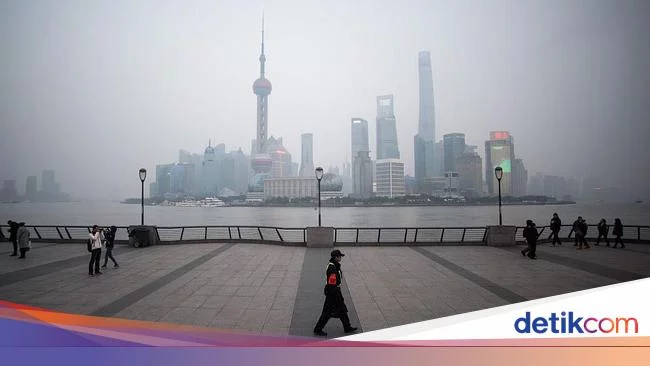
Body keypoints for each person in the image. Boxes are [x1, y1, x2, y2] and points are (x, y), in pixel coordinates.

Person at [313, 249, 358, 336]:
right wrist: (336, 295)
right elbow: (332, 283)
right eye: (339, 256)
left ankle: (347, 327)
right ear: (335, 257)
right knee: (327, 312)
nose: (341, 257)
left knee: (342, 310)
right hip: (333, 293)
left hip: (335, 291)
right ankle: (318, 329)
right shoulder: (332, 268)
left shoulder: (335, 265)